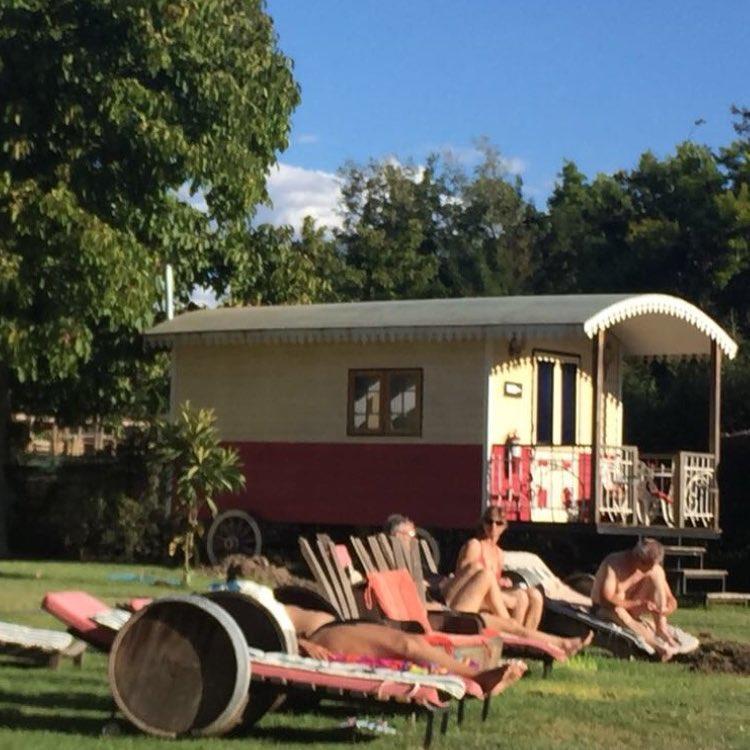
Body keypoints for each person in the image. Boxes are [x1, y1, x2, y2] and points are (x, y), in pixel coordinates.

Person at [283, 602, 527, 696]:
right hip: (322, 638)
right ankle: (478, 678)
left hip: (333, 627)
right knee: (407, 646)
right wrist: (301, 643)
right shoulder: (250, 606)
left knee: (415, 645)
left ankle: (476, 678)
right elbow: (254, 636)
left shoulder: (256, 597)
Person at [454, 505, 544, 630]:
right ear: (483, 523)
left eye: (498, 523)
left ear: (504, 526)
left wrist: (502, 582)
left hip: (491, 594)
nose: (493, 527)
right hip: (471, 598)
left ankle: (527, 638)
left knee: (535, 595)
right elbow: (464, 579)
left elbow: (493, 583)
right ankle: (514, 636)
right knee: (521, 597)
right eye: (489, 521)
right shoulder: (475, 545)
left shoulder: (499, 554)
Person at [590, 538, 678, 661]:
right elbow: (606, 599)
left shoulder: (654, 570)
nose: (650, 569)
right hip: (607, 610)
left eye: (653, 565)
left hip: (633, 611)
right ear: (637, 557)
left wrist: (666, 609)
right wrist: (637, 604)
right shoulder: (614, 563)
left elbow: (671, 599)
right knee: (618, 611)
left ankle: (661, 629)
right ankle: (656, 646)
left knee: (656, 576)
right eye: (647, 565)